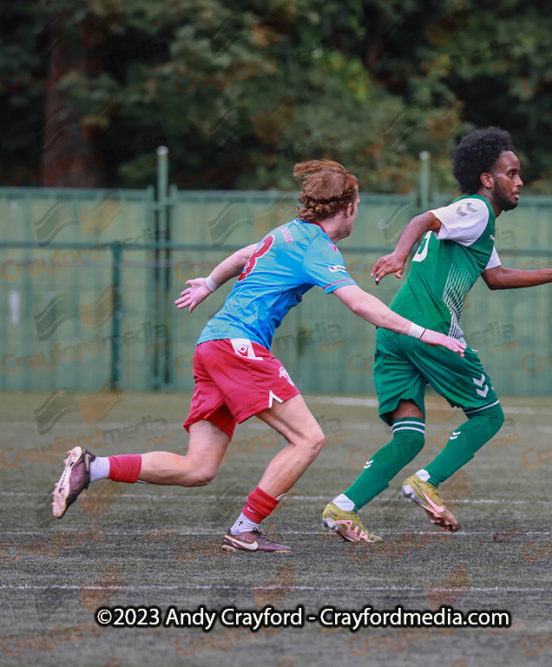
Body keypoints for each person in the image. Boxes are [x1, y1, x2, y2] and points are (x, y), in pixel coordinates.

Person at [51, 159, 466, 553]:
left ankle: (93, 466)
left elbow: (243, 255)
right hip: (238, 348)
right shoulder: (317, 248)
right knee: (308, 439)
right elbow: (359, 304)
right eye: (357, 206)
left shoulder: (284, 233)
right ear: (348, 207)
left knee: (199, 467)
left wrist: (208, 284)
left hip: (212, 345)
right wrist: (425, 333)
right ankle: (245, 529)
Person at [322, 127, 552, 542]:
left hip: (394, 327)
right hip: (431, 329)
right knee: (489, 415)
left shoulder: (478, 225)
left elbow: (497, 277)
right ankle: (426, 483)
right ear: (487, 179)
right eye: (512, 173)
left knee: (409, 437)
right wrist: (398, 254)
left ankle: (342, 509)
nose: (519, 181)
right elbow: (422, 219)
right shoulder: (477, 209)